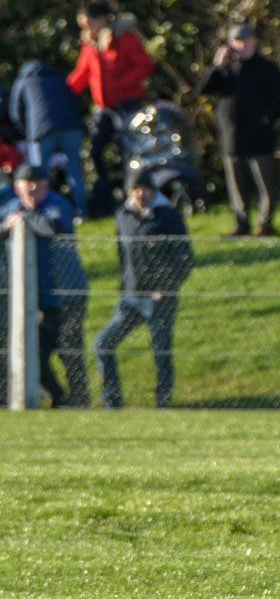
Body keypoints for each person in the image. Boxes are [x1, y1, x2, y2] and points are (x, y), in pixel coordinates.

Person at [92, 168, 194, 409]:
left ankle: (163, 402)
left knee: (161, 353)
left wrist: (165, 288)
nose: (140, 194)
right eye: (135, 189)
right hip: (130, 297)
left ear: (153, 190)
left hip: (160, 299)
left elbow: (186, 259)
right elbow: (121, 254)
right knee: (102, 344)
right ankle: (112, 402)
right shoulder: (122, 216)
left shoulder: (168, 215)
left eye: (145, 189)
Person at [0, 163, 89, 407]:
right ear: (16, 187)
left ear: (46, 185)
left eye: (36, 183)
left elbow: (51, 227)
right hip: (36, 298)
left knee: (70, 351)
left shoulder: (57, 204)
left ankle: (81, 402)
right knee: (33, 355)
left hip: (67, 295)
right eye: (25, 184)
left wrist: (25, 216)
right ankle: (59, 399)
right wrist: (8, 224)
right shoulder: (12, 207)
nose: (31, 188)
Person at [196, 23, 280, 236]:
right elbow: (202, 89)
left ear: (255, 42)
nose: (241, 45)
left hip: (260, 137)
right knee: (236, 185)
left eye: (246, 40)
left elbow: (279, 100)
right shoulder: (226, 70)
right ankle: (242, 224)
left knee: (265, 184)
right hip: (232, 137)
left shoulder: (266, 68)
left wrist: (267, 120)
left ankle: (265, 224)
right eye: (237, 41)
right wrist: (217, 66)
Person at [65, 0, 155, 217]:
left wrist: (122, 85)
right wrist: (61, 91)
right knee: (95, 149)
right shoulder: (89, 44)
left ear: (102, 19)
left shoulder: (124, 37)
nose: (87, 29)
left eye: (89, 24)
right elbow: (81, 74)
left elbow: (145, 65)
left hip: (128, 104)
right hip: (105, 109)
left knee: (130, 153)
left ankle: (134, 195)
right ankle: (106, 191)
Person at [10, 60, 88, 219]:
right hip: (71, 127)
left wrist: (28, 132)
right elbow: (75, 102)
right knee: (74, 172)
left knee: (38, 174)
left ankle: (43, 213)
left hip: (41, 130)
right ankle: (82, 212)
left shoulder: (23, 81)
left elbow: (16, 112)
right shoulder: (59, 79)